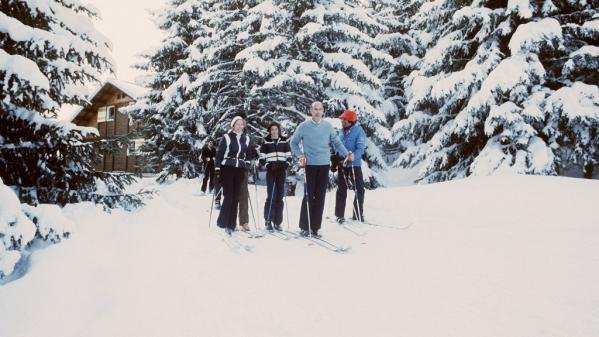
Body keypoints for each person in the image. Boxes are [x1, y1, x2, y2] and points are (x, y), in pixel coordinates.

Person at [290, 101, 353, 237]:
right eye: (315, 109)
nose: (318, 112)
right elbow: (293, 143)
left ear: (323, 111)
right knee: (308, 195)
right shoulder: (303, 127)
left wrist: (346, 153)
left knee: (320, 196)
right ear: (311, 111)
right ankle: (305, 227)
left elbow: (336, 142)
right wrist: (300, 156)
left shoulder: (327, 126)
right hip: (310, 165)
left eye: (320, 109)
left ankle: (315, 228)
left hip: (324, 165)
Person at [215, 114, 252, 234]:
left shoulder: (246, 138)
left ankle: (231, 224)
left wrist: (247, 163)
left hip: (240, 169)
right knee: (229, 196)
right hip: (228, 168)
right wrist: (217, 168)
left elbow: (248, 153)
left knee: (236, 197)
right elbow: (219, 153)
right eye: (237, 124)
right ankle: (223, 222)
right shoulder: (226, 137)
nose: (240, 126)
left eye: (242, 124)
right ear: (233, 125)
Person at [333, 110, 366, 223]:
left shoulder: (359, 131)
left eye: (344, 119)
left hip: (354, 165)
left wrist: (354, 157)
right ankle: (339, 215)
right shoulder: (340, 132)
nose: (342, 121)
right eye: (342, 119)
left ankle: (357, 214)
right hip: (342, 165)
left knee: (359, 189)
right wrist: (335, 158)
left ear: (350, 121)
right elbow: (337, 146)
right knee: (341, 189)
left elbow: (361, 148)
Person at [259, 122, 292, 231]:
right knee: (271, 196)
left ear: (278, 130)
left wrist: (286, 165)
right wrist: (268, 165)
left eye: (276, 129)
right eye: (272, 129)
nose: (274, 131)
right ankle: (268, 220)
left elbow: (289, 156)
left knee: (280, 196)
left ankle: (278, 222)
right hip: (271, 171)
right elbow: (262, 159)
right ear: (269, 131)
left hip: (281, 171)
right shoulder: (266, 142)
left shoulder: (284, 141)